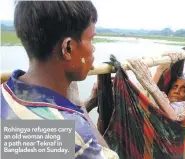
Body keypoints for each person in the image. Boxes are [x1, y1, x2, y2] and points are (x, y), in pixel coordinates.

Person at [0, 1, 118, 159]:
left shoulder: (5, 92)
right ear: (68, 48)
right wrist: (80, 108)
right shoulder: (74, 138)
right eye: (91, 40)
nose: (93, 49)